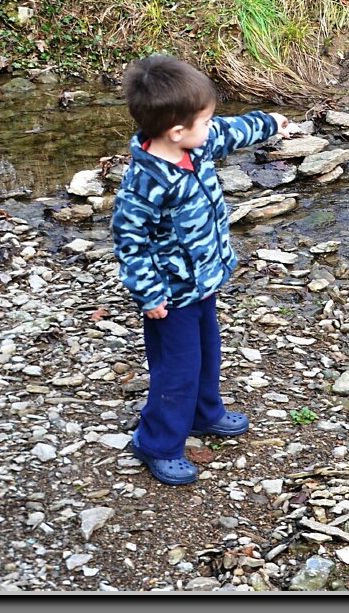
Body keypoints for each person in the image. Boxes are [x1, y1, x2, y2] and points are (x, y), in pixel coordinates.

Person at [111, 55, 290, 485]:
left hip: (204, 279)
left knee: (209, 352)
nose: (212, 127)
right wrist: (149, 294)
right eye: (205, 121)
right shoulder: (146, 183)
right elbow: (130, 243)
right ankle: (156, 442)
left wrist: (270, 122)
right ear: (176, 131)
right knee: (178, 368)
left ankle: (204, 413)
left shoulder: (199, 143)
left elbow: (231, 131)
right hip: (170, 296)